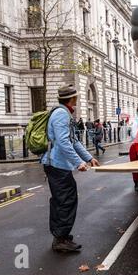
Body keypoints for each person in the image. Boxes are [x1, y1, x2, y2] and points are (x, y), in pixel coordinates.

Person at [41, 84, 100, 253]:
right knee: (65, 201)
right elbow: (63, 142)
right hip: (56, 165)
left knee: (65, 199)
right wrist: (77, 163)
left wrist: (88, 158)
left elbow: (73, 141)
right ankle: (60, 239)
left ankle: (62, 235)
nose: (78, 99)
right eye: (76, 97)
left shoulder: (64, 113)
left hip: (58, 165)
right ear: (72, 98)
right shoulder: (61, 114)